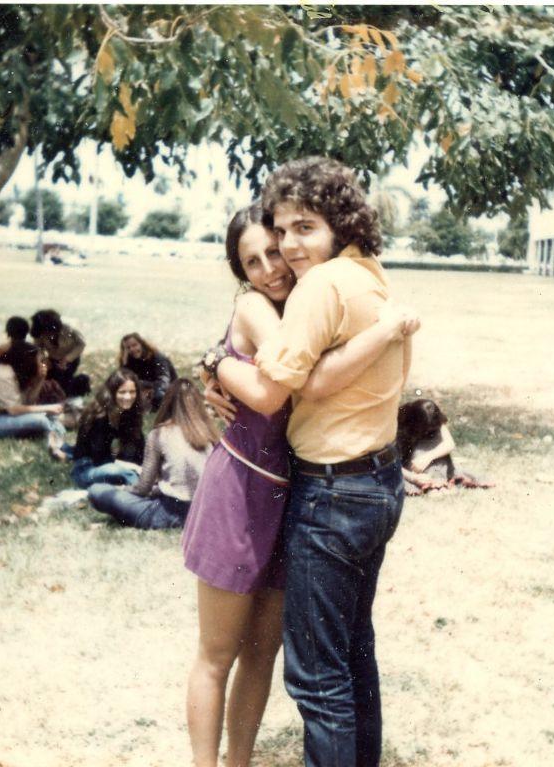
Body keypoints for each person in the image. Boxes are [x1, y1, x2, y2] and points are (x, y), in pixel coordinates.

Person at [184, 204, 418, 767]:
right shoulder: (260, 308)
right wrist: (215, 362)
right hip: (241, 491)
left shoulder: (317, 303)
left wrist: (213, 362)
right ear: (241, 274)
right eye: (254, 260)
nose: (272, 265)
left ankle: (239, 759)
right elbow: (282, 390)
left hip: (295, 496)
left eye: (278, 247)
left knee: (262, 656)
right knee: (218, 655)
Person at [88, 379, 216, 529]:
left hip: (169, 513)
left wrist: (123, 490)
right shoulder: (210, 435)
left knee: (96, 490)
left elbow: (142, 488)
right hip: (204, 512)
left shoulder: (159, 434)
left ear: (167, 403)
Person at [0, 343, 66, 459]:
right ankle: (55, 444)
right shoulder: (3, 375)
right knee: (41, 420)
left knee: (49, 418)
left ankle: (56, 444)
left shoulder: (10, 373)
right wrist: (48, 408)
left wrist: (40, 379)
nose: (42, 364)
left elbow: (27, 404)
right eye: (39, 360)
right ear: (28, 361)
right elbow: (14, 410)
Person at [397, 398, 494, 495]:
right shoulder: (398, 423)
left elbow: (449, 444)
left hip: (428, 464)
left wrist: (427, 457)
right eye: (425, 429)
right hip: (407, 468)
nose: (428, 432)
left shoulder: (432, 416)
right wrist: (413, 478)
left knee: (437, 441)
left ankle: (437, 483)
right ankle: (433, 484)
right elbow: (390, 462)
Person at [69, 368, 146, 489]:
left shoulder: (129, 414)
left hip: (112, 465)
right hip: (87, 469)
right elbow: (100, 459)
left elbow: (140, 448)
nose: (128, 397)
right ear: (112, 392)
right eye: (122, 392)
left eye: (132, 392)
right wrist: (134, 468)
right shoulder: (98, 416)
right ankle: (141, 491)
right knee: (123, 472)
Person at [30, 309, 90, 397]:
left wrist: (67, 359)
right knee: (50, 381)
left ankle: (81, 383)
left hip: (70, 359)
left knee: (64, 382)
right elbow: (38, 348)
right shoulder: (41, 332)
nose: (47, 335)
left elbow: (81, 343)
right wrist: (44, 360)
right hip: (52, 358)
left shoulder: (69, 329)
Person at [120, 332, 178, 411]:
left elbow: (164, 383)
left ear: (142, 344)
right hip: (146, 390)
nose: (132, 349)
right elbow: (123, 382)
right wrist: (124, 364)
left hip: (166, 391)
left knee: (158, 395)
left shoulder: (158, 357)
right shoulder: (128, 360)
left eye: (134, 345)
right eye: (128, 348)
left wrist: (143, 386)